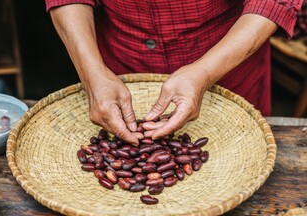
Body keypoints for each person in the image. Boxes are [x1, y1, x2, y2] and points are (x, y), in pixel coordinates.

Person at [45, 0, 302, 145]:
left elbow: (272, 3)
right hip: (122, 69)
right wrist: (92, 74)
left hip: (230, 73)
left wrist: (204, 72)